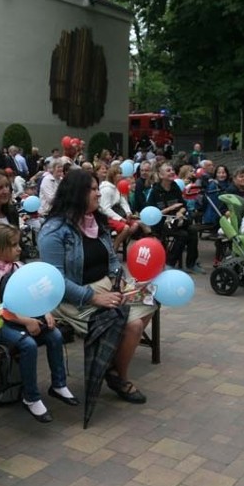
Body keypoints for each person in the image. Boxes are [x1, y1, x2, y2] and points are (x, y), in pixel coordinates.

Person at [38, 169, 155, 404]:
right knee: (132, 326)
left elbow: (111, 258)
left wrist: (118, 279)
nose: (98, 194)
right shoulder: (53, 231)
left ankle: (111, 360)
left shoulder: (94, 221)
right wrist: (93, 297)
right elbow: (55, 280)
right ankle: (117, 376)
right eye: (92, 189)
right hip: (72, 298)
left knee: (149, 298)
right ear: (76, 193)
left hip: (105, 286)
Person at [0, 223, 75, 423]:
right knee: (27, 345)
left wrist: (44, 312)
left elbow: (32, 296)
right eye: (13, 245)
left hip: (19, 316)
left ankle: (58, 385)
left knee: (54, 334)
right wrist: (27, 321)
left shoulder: (16, 266)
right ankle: (31, 396)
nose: (19, 249)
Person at [149, 162, 203, 273]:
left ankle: (191, 264)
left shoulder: (175, 187)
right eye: (168, 170)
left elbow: (183, 205)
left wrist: (180, 212)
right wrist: (171, 208)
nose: (172, 172)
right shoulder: (155, 191)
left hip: (177, 221)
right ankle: (170, 263)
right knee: (182, 235)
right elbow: (151, 213)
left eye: (172, 170)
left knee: (193, 230)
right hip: (161, 223)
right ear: (161, 175)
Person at [98, 163, 142, 251]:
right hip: (106, 217)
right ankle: (114, 249)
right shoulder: (106, 189)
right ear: (113, 176)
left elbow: (123, 202)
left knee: (135, 225)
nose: (121, 175)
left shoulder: (116, 188)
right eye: (119, 173)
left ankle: (116, 240)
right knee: (125, 228)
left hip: (116, 214)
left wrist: (128, 213)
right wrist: (120, 219)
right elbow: (105, 209)